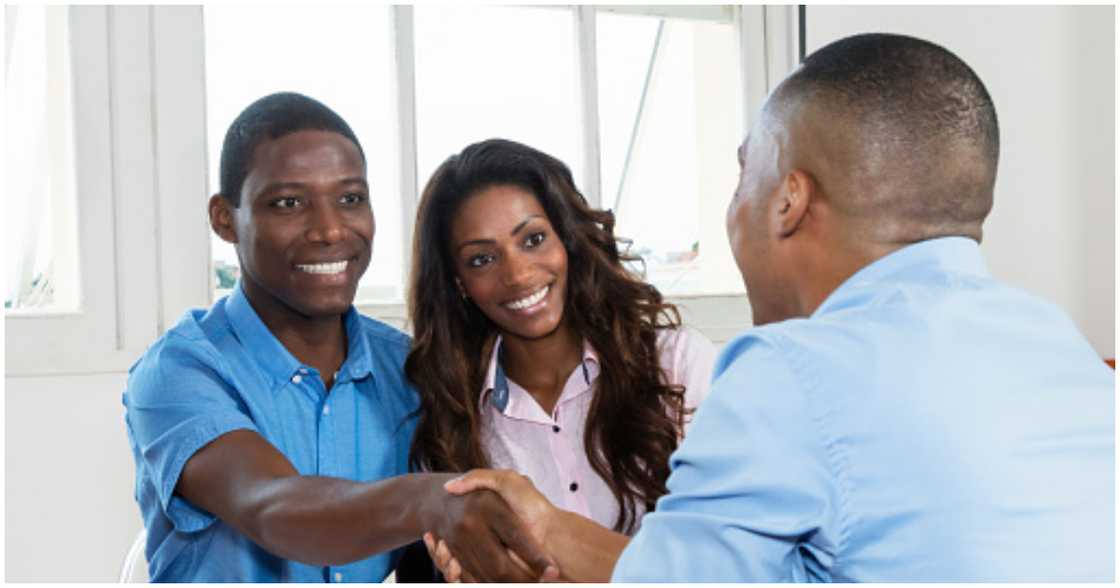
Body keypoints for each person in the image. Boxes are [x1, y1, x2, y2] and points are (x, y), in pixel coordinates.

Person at [435, 33, 1115, 582]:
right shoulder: (1067, 354)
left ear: (788, 200)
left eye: (742, 174)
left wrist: (540, 527)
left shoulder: (789, 371)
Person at [121, 92, 555, 582]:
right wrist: (433, 501)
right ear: (225, 218)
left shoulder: (408, 367)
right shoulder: (180, 371)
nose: (329, 230)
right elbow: (271, 506)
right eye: (288, 203)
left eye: (350, 199)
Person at [405, 139, 716, 579]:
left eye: (533, 239)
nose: (517, 275)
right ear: (458, 282)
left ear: (567, 238)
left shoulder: (678, 365)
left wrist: (550, 538)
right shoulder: (450, 418)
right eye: (482, 259)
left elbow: (721, 565)